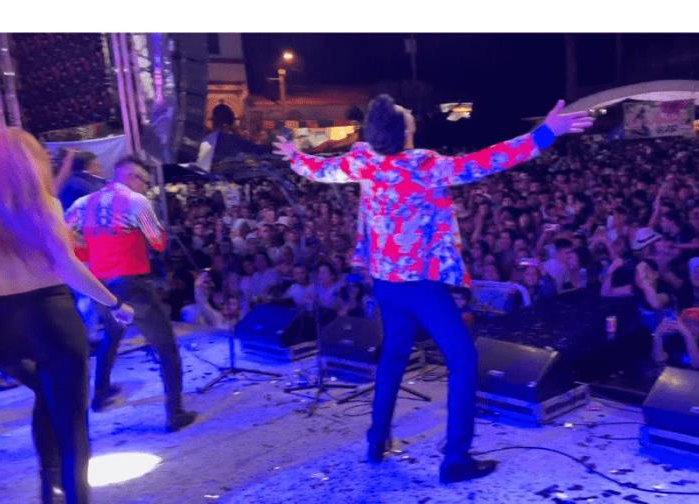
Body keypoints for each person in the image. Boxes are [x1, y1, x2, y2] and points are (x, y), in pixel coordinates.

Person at [274, 94, 593, 483]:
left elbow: (320, 171)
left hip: (386, 282)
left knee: (393, 357)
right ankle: (455, 459)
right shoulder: (425, 166)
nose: (411, 112)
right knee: (463, 360)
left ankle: (377, 440)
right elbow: (488, 161)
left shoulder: (365, 161)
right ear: (404, 129)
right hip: (421, 284)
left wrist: (293, 154)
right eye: (407, 113)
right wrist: (544, 134)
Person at [0, 128, 134, 504]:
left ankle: (49, 489)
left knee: (47, 398)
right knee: (72, 423)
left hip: (1, 328)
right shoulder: (43, 205)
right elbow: (67, 268)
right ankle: (74, 497)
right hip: (51, 320)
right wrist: (114, 303)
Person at [65, 156, 197, 432]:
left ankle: (100, 396)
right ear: (131, 176)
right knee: (166, 347)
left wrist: (90, 252)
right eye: (144, 181)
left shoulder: (83, 204)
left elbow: (67, 240)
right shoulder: (136, 202)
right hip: (133, 285)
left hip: (101, 288)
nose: (146, 187)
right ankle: (175, 413)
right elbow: (159, 242)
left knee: (110, 337)